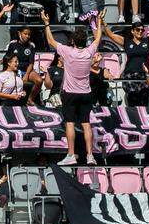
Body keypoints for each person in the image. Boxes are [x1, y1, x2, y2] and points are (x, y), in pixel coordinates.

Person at [43, 9, 104, 165]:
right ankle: (90, 155)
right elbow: (97, 37)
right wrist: (99, 21)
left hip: (70, 93)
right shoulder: (90, 51)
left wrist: (47, 23)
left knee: (70, 123)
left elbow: (50, 41)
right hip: (86, 93)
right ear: (85, 42)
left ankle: (71, 154)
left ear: (73, 42)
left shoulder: (68, 51)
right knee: (86, 124)